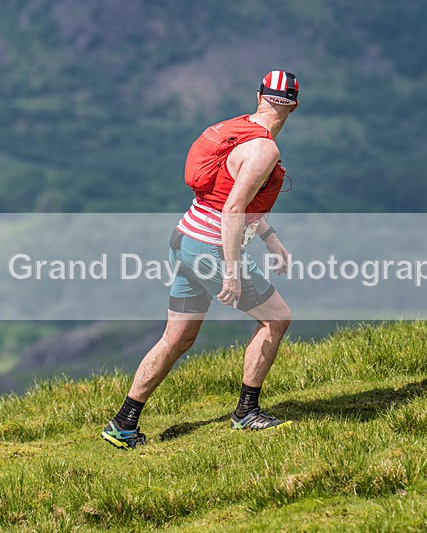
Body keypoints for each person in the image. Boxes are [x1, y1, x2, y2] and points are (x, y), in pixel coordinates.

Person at [101, 69, 300, 449]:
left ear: (258, 95)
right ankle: (247, 413)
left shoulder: (234, 128)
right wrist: (230, 271)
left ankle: (123, 423)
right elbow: (233, 209)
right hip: (211, 248)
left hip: (185, 238)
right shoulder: (265, 149)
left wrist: (271, 241)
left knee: (176, 338)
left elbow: (222, 196)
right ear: (295, 105)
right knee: (277, 319)